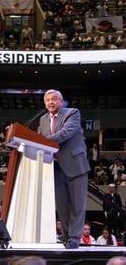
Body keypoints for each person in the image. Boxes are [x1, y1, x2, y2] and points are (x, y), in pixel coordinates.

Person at [38, 89, 90, 249]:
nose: (51, 102)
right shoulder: (43, 120)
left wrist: (41, 140)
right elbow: (37, 138)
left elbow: (65, 133)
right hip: (55, 167)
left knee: (77, 206)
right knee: (62, 207)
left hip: (75, 166)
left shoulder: (72, 113)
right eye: (48, 100)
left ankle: (75, 238)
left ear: (61, 102)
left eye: (54, 99)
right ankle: (67, 236)